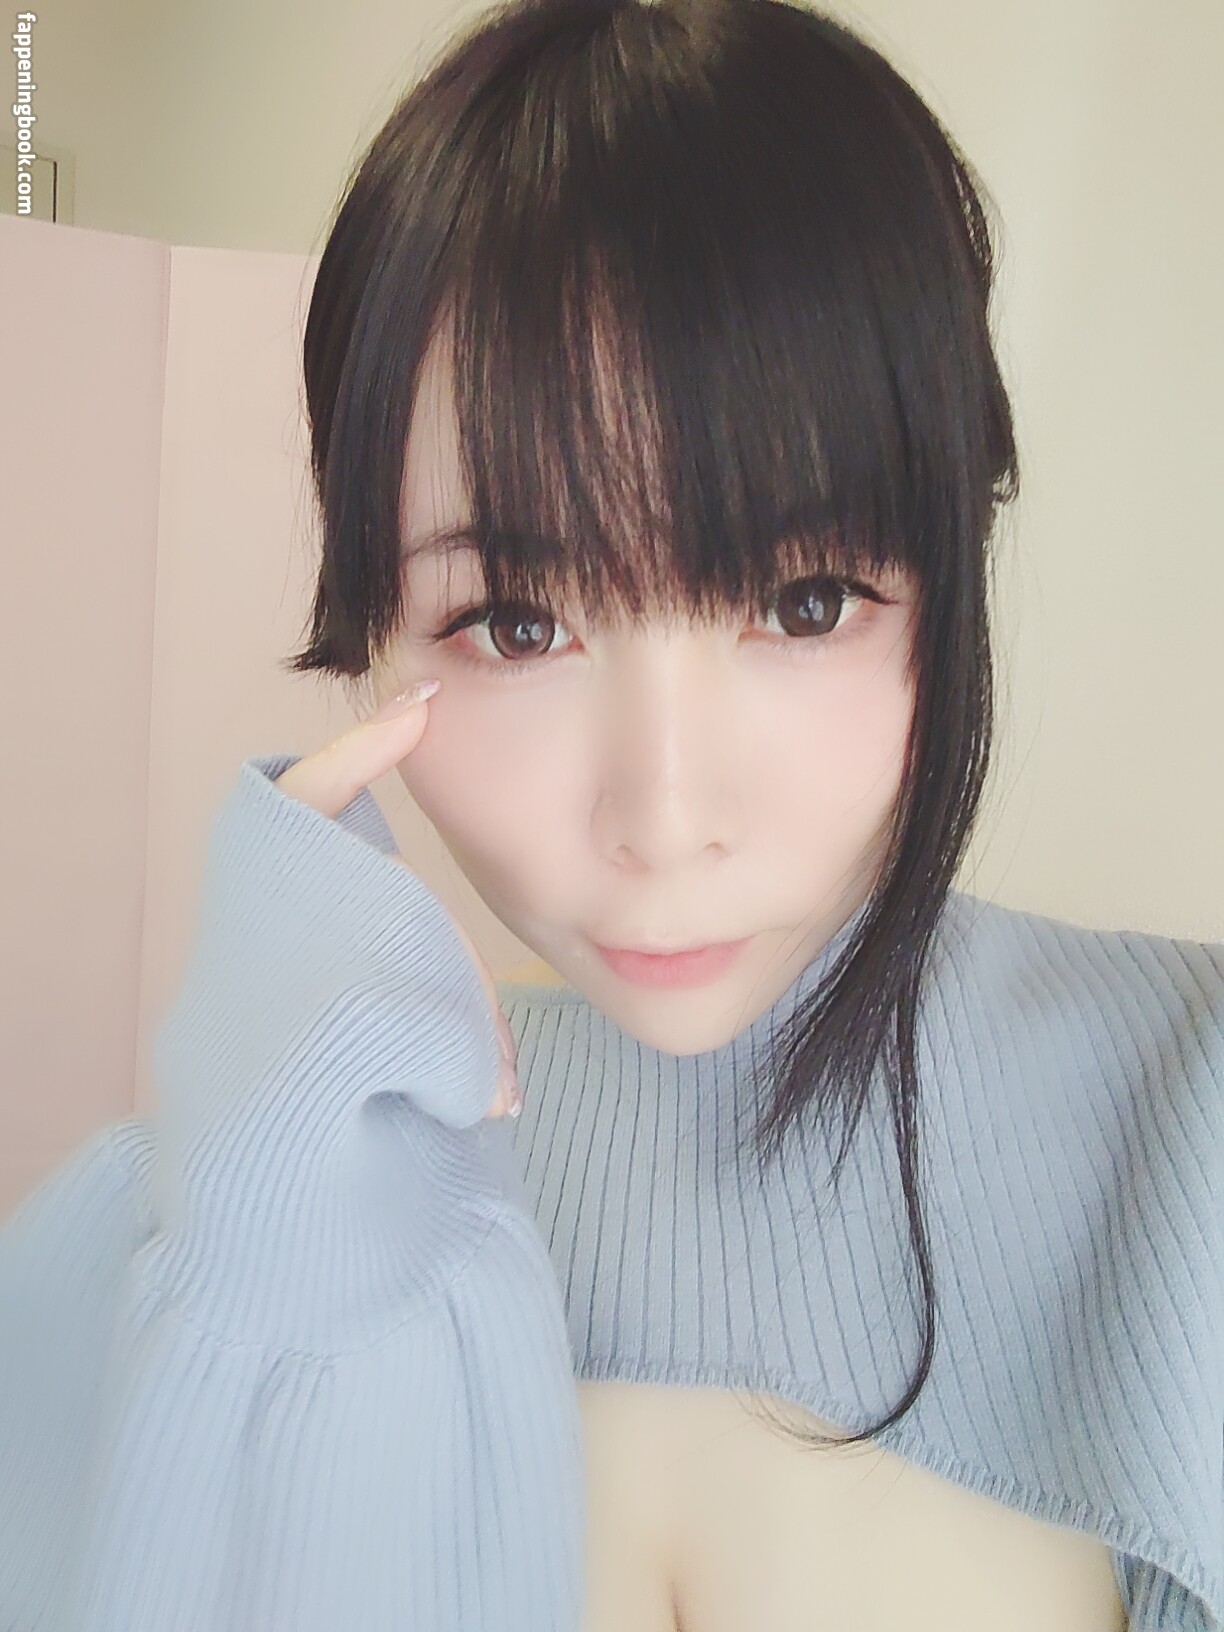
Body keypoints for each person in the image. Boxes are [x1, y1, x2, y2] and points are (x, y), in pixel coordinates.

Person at [2, 1, 1221, 1629]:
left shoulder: (1187, 1131)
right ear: (372, 634)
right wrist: (272, 1258)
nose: (664, 815)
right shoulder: (167, 1230)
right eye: (517, 624)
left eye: (803, 601)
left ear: (955, 562)